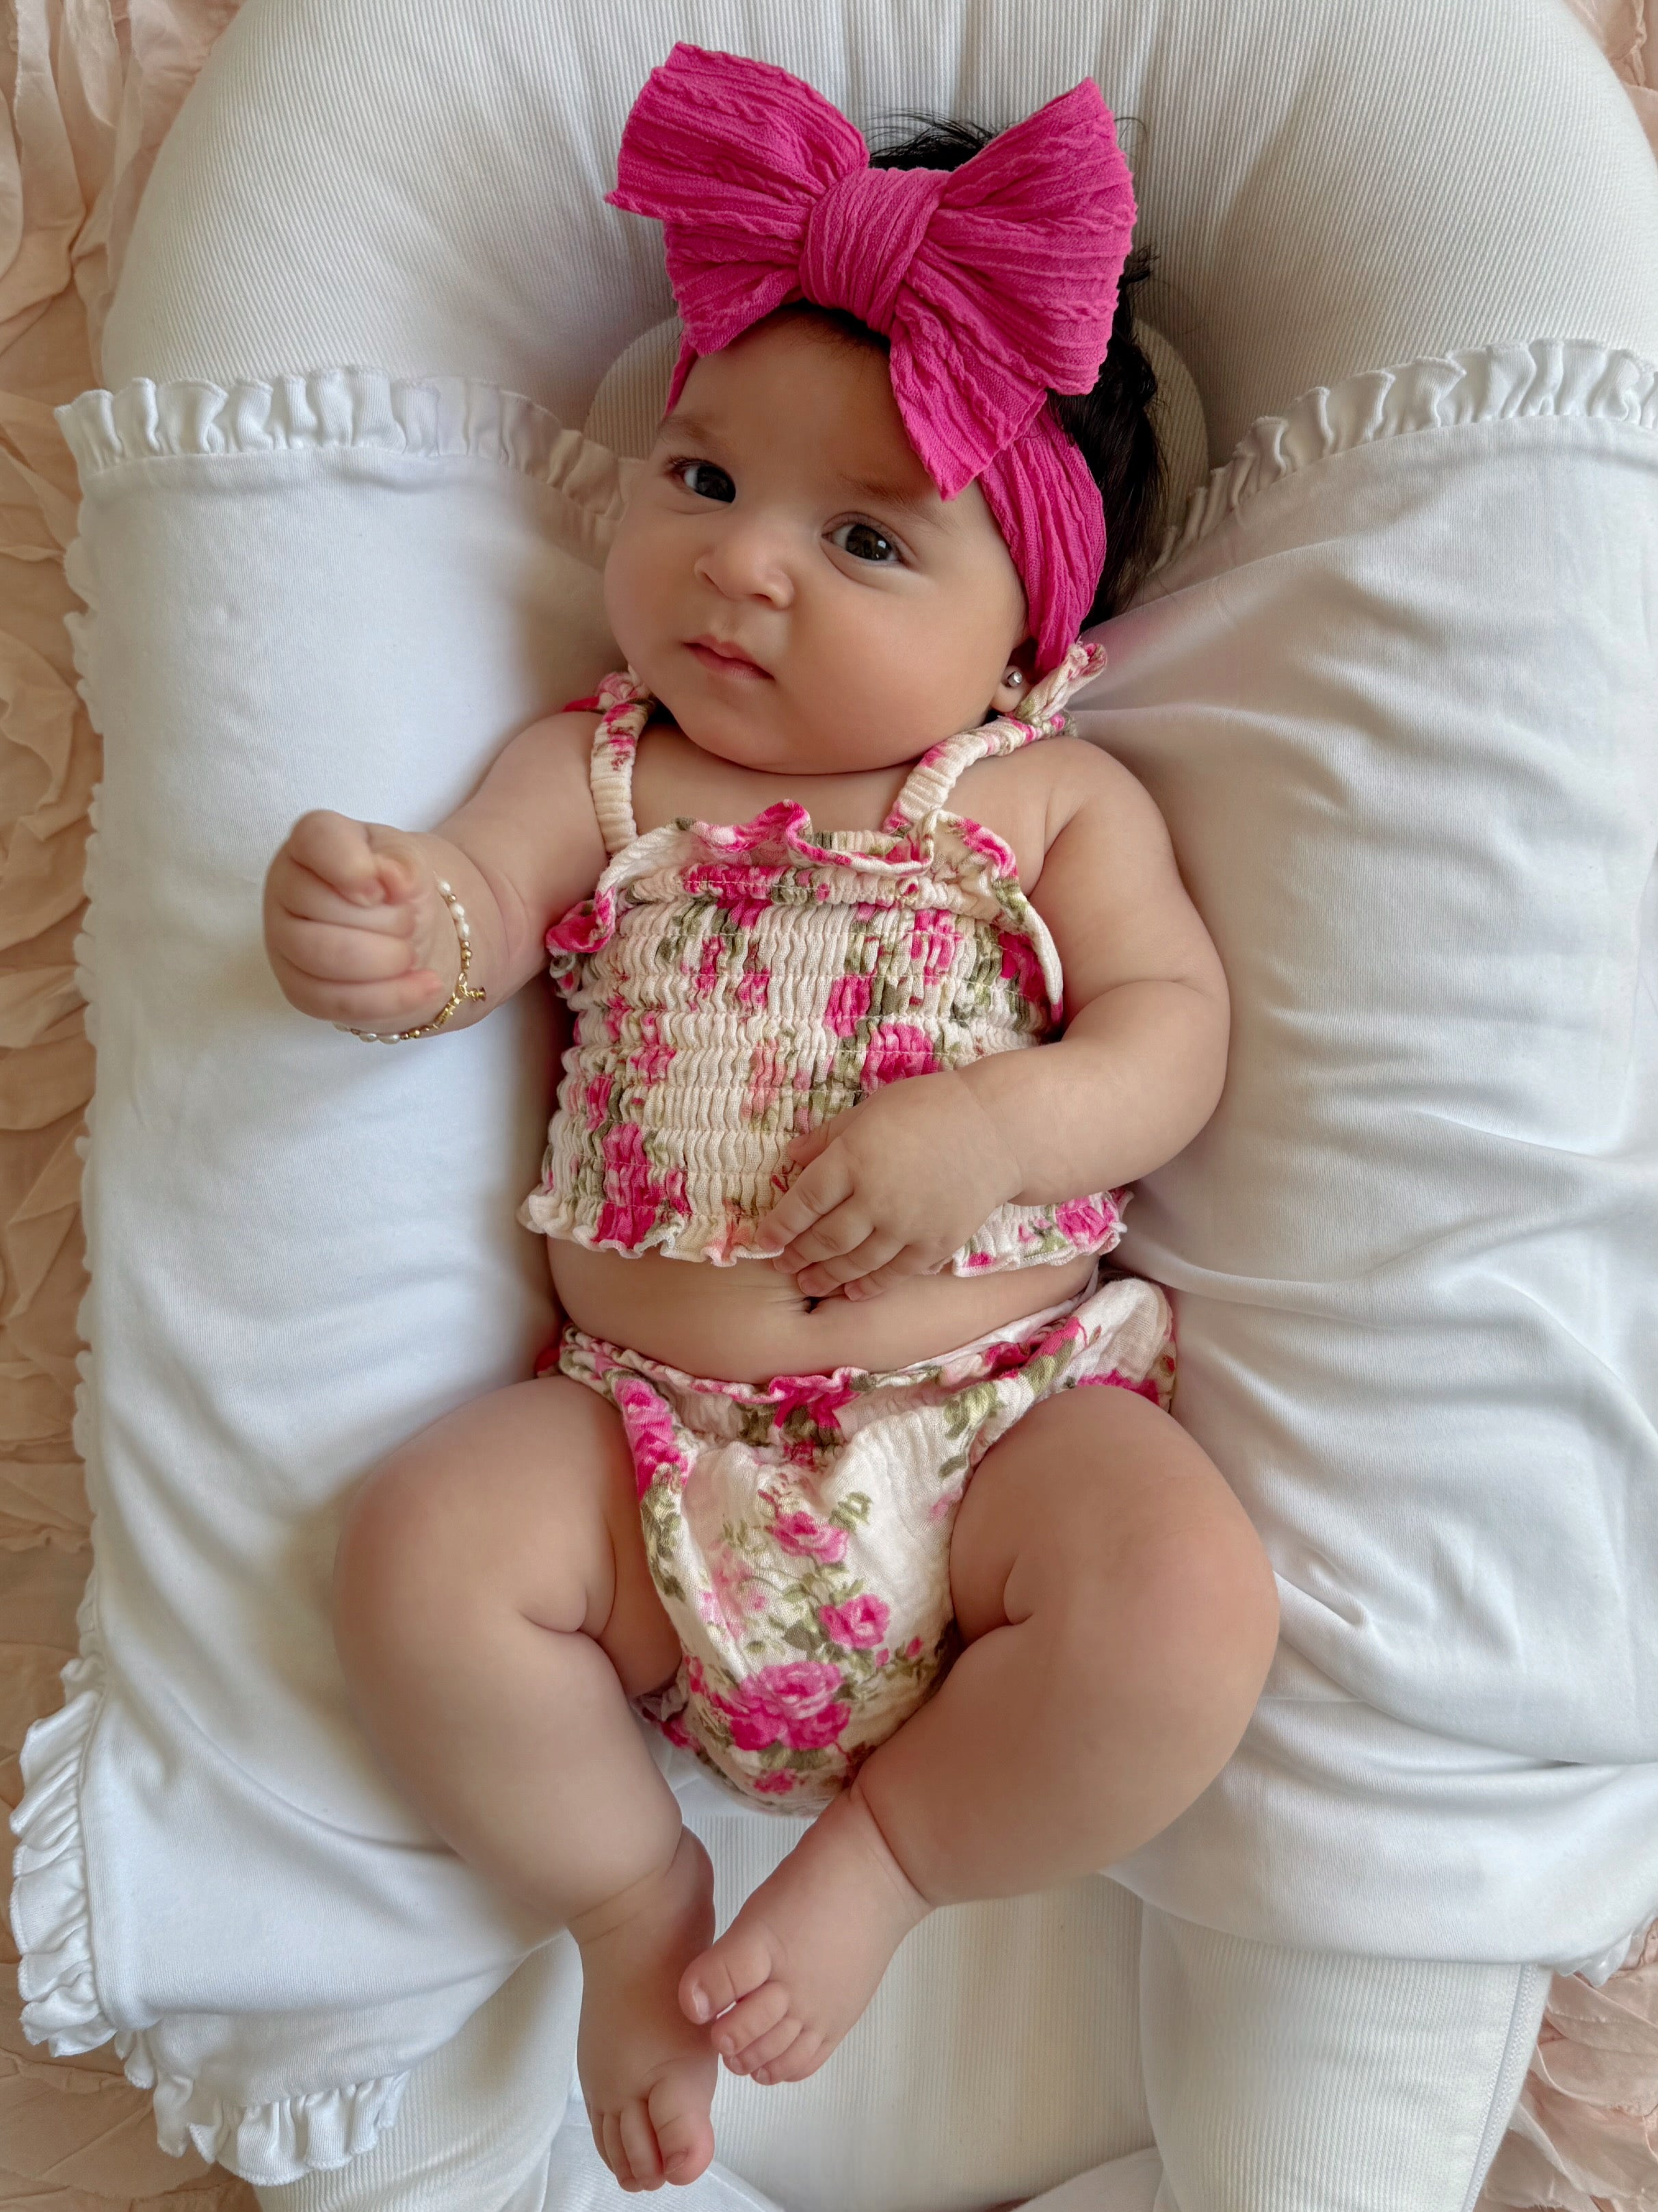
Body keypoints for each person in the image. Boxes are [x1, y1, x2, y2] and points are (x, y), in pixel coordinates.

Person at [262, 47, 1277, 2195]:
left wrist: (998, 1129)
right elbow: (478, 911)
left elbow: (1175, 1038)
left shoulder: (1038, 804)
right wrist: (398, 923)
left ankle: (890, 1863)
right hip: (646, 1456)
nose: (743, 567)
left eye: (866, 536)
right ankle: (633, 1897)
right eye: (704, 477)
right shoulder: (600, 771)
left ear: (1029, 638)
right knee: (420, 1553)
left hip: (999, 1443)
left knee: (1187, 1602)